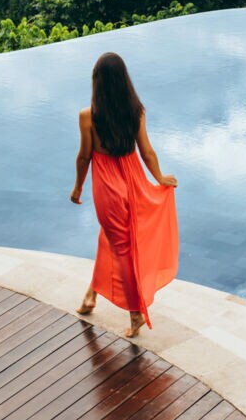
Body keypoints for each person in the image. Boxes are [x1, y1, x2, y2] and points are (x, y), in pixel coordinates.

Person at [70, 52, 179, 338]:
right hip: (134, 181)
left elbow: (84, 157)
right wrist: (159, 178)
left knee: (120, 248)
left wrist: (78, 186)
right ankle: (89, 297)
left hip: (108, 186)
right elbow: (147, 151)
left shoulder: (88, 116)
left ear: (98, 82)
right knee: (109, 238)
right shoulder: (136, 110)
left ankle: (135, 312)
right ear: (123, 81)